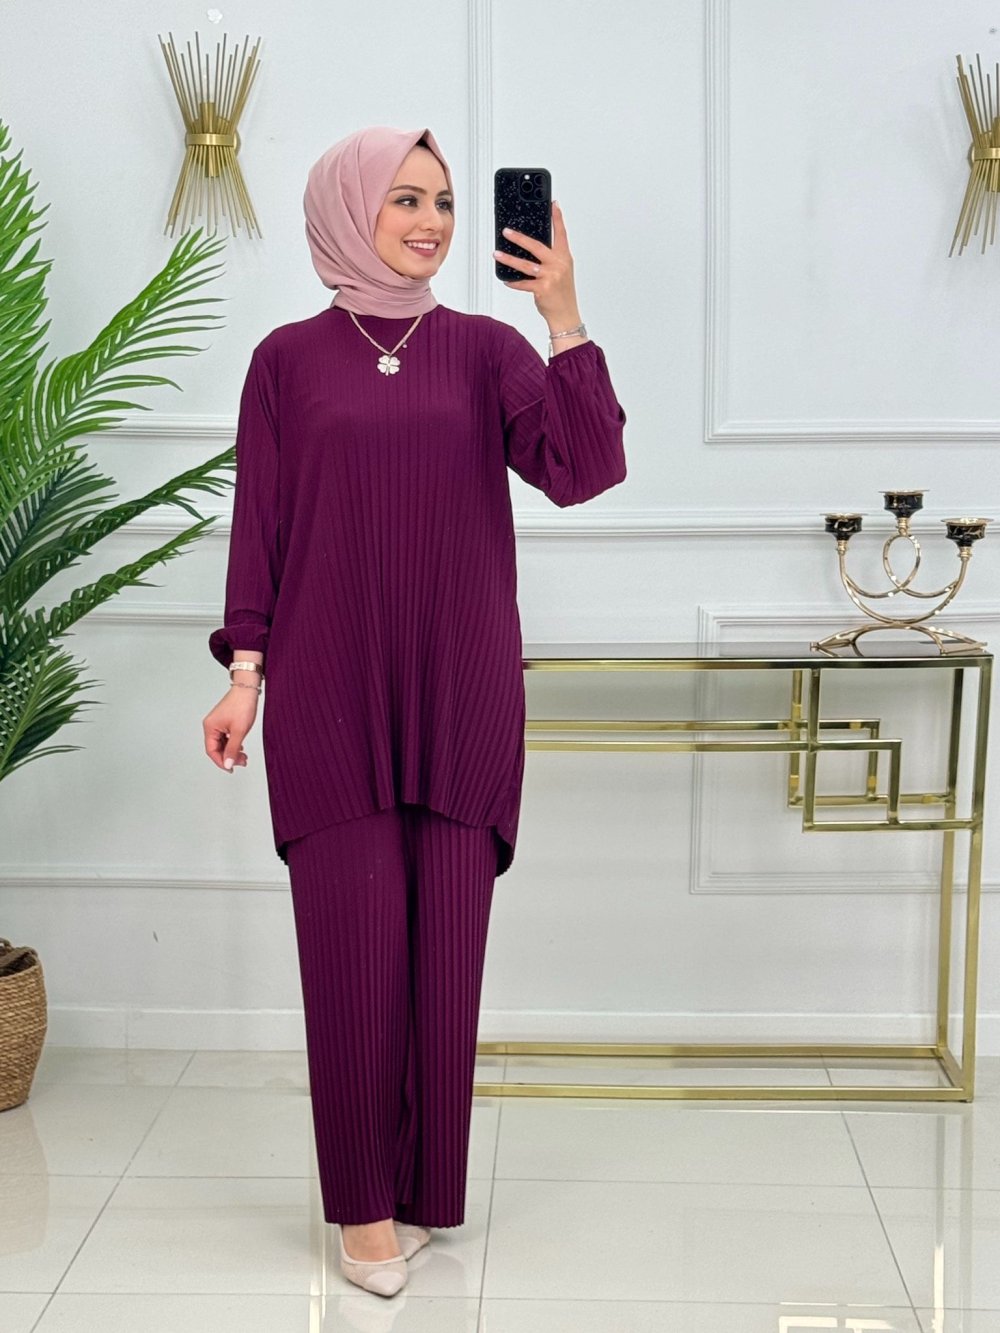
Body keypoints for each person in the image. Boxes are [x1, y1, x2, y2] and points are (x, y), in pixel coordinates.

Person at [202, 125, 627, 1298]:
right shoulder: (286, 361)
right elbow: (262, 526)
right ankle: (360, 1208)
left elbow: (583, 468)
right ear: (350, 210)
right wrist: (245, 674)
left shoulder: (487, 351)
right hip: (331, 695)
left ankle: (424, 1190)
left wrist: (563, 315)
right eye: (403, 198)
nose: (430, 221)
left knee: (446, 963)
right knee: (350, 960)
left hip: (461, 688)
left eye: (441, 201)